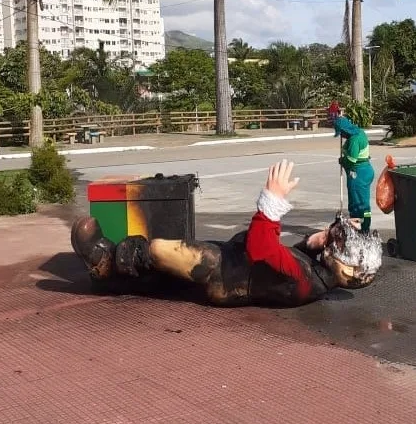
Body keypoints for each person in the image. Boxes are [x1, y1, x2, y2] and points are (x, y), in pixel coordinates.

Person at [71, 160, 383, 307]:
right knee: (166, 276)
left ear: (342, 265)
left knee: (160, 252)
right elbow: (280, 258)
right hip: (232, 265)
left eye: (332, 240)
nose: (325, 236)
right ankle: (112, 276)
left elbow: (263, 250)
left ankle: (107, 259)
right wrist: (315, 241)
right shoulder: (311, 272)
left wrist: (271, 203)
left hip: (224, 270)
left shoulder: (304, 280)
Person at [334, 116, 374, 233]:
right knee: (364, 203)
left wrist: (342, 161)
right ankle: (365, 226)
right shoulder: (360, 132)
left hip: (358, 175)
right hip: (366, 171)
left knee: (357, 205)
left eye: (341, 133)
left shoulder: (354, 140)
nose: (342, 136)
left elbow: (351, 161)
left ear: (345, 131)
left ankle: (359, 230)